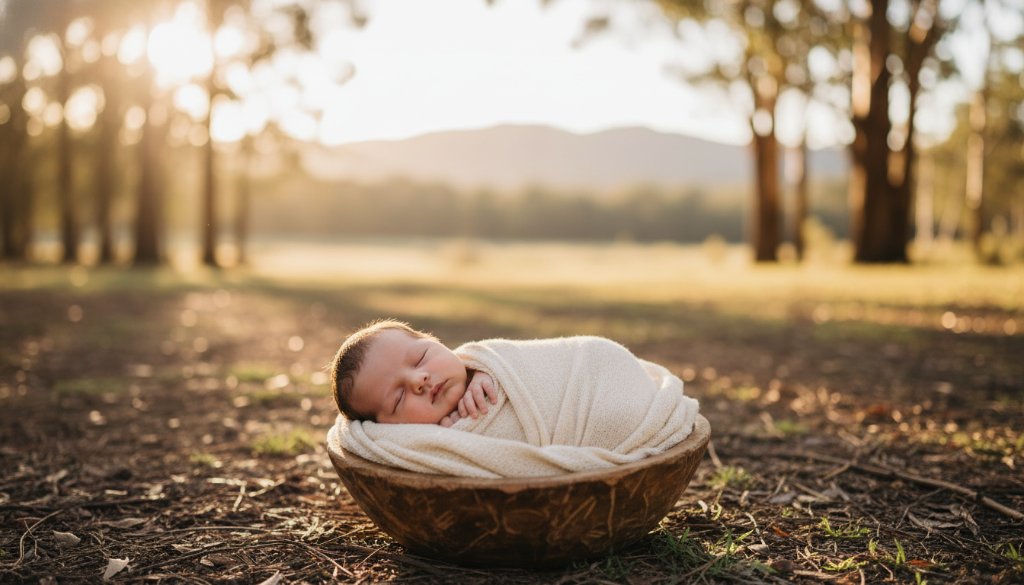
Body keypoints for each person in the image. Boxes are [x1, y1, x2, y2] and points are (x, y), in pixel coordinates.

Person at [330, 320, 498, 428]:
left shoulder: (490, 359)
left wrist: (490, 373)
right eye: (399, 398)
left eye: (421, 358)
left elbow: (515, 361)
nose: (418, 380)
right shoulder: (419, 449)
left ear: (435, 341)